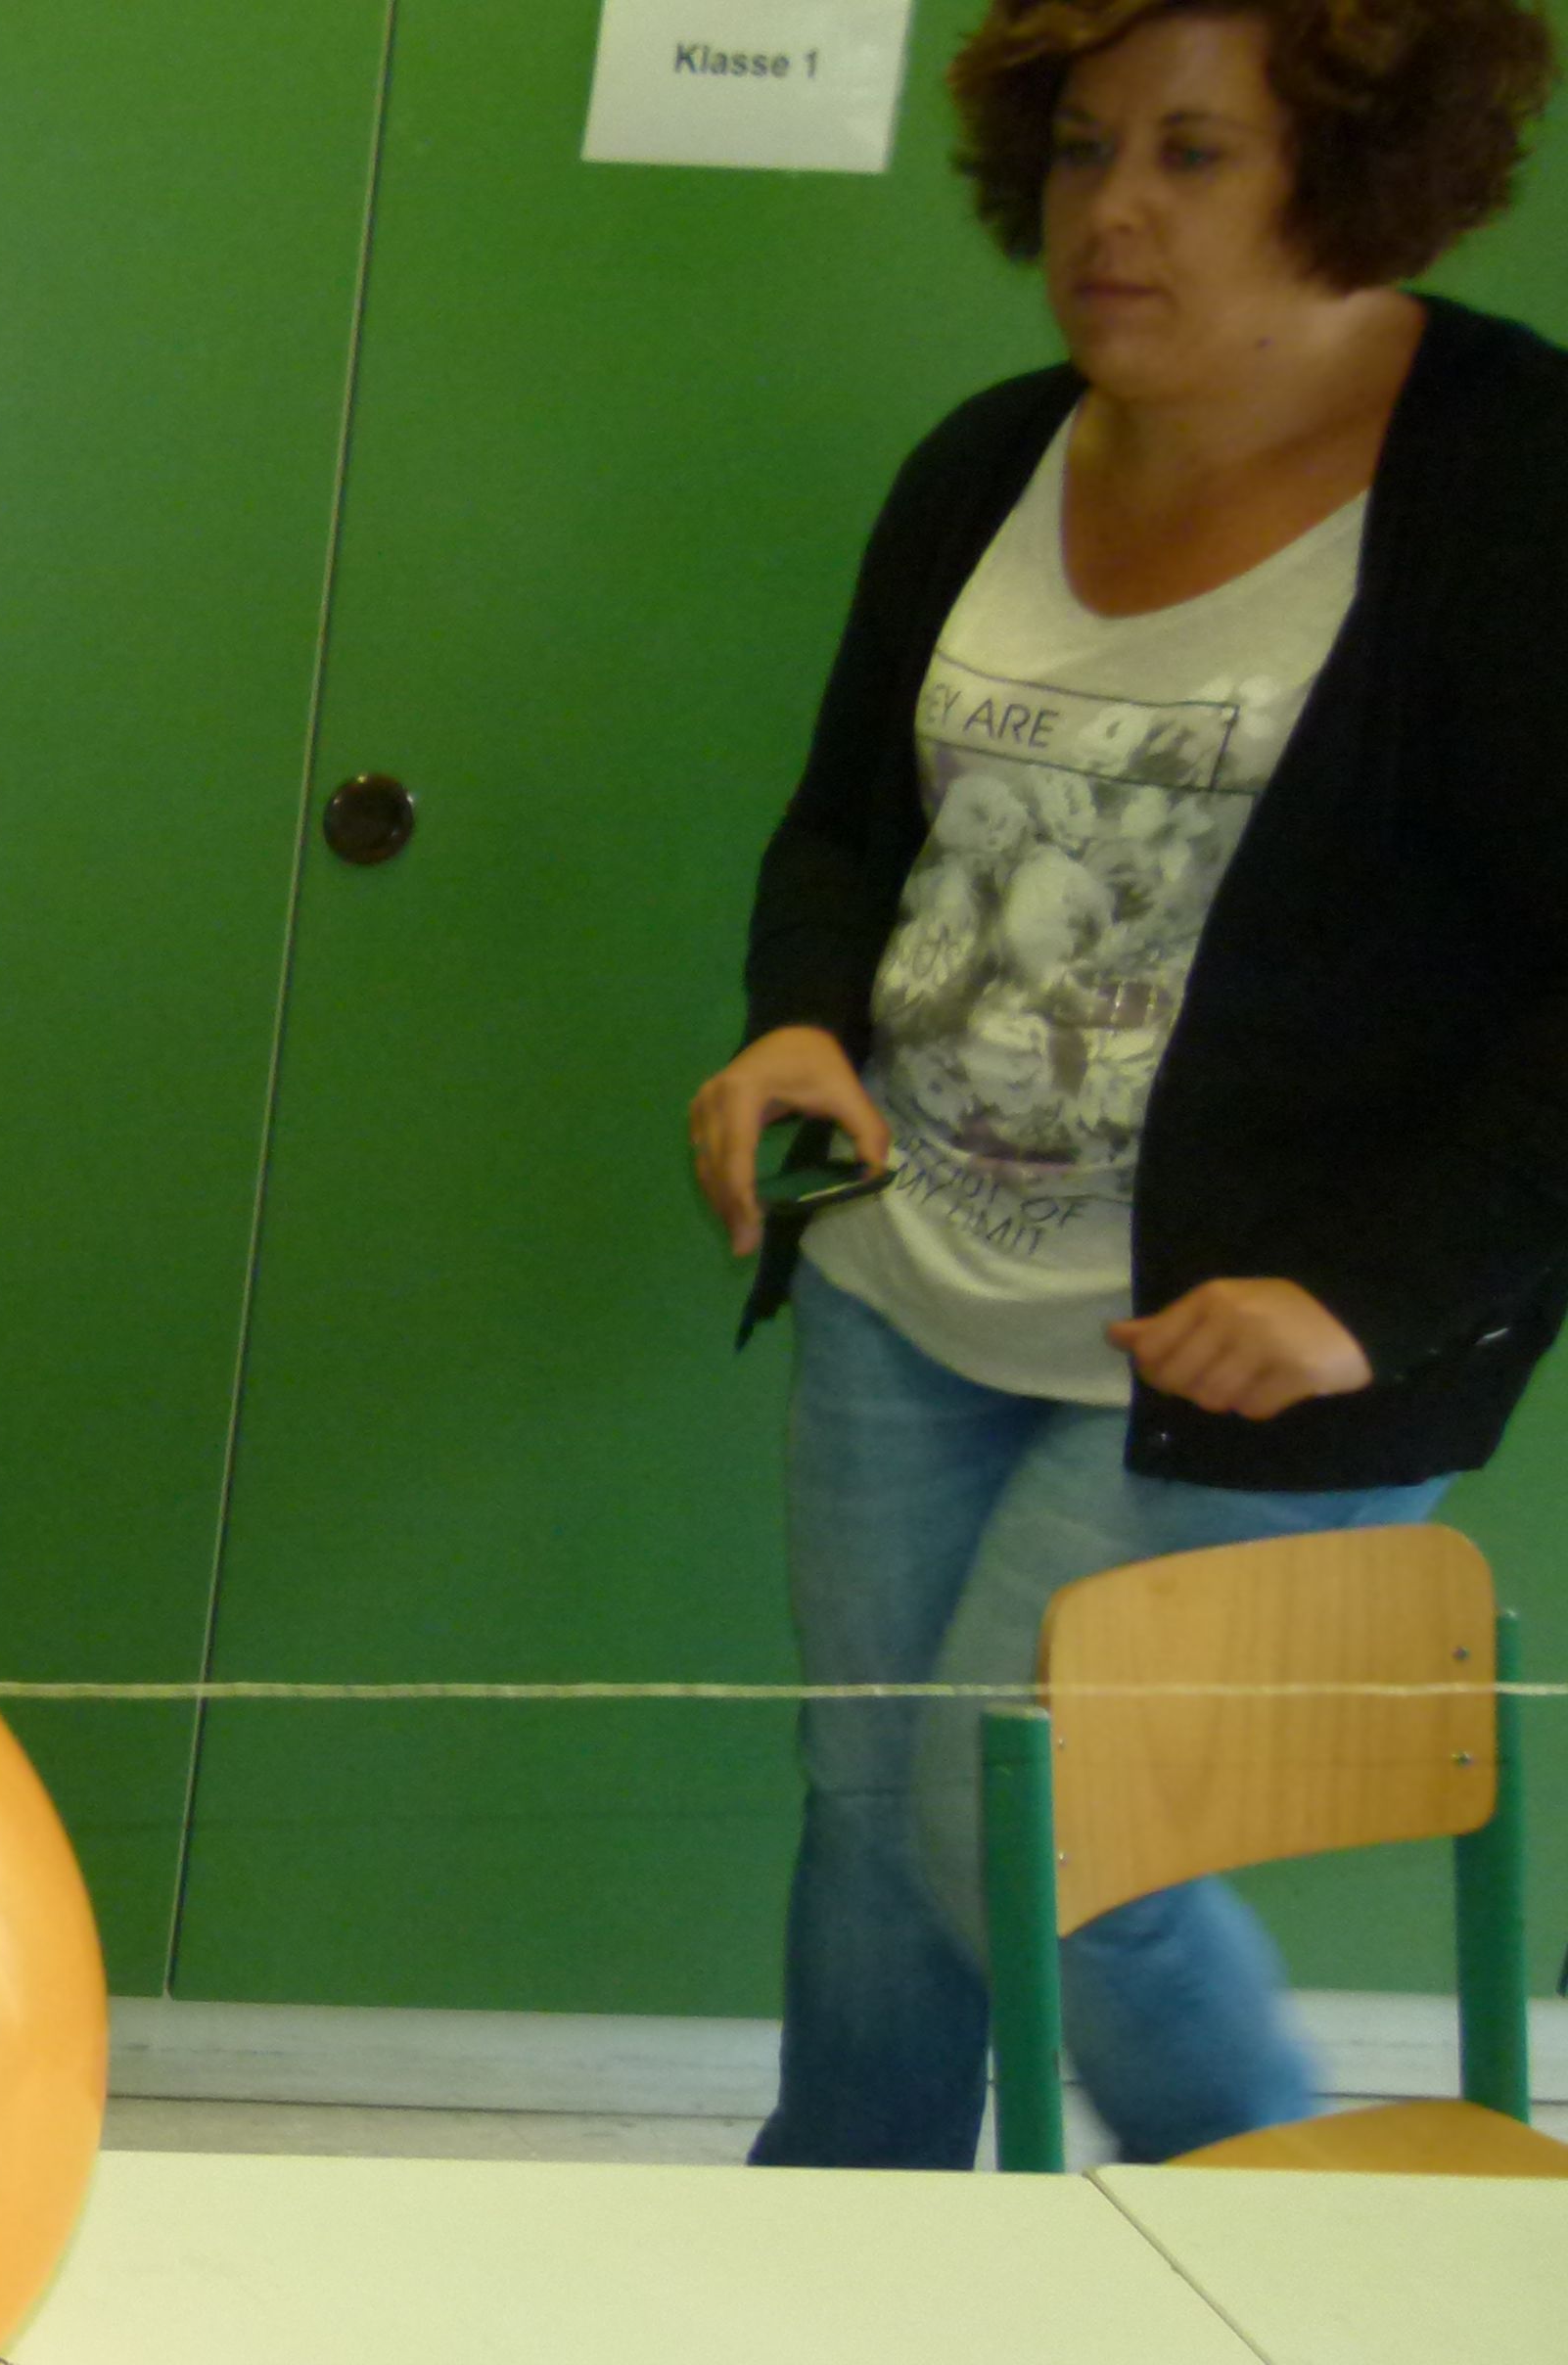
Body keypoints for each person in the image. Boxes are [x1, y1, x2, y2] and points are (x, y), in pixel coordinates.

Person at [691, 0, 1567, 2167]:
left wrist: (1373, 1297)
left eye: (1197, 156)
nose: (1113, 214)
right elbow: (842, 828)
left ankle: (1311, 2256)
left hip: (1244, 1356)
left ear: (1354, 168)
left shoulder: (1512, 484)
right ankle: (845, 2257)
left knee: (1023, 1837)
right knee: (874, 1814)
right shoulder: (992, 455)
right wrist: (802, 1011)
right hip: (915, 1291)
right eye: (1083, 151)